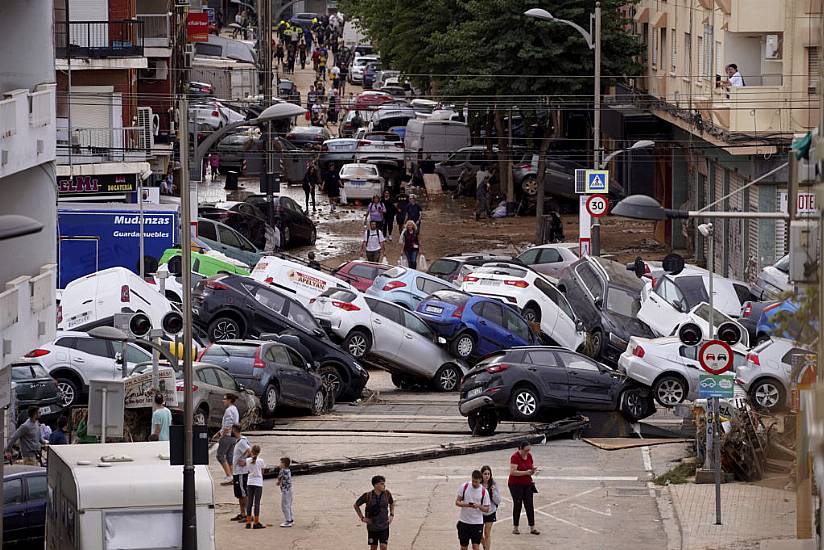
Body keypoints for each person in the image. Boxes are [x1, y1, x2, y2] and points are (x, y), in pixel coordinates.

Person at [354, 475, 395, 550]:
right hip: (372, 527)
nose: (384, 485)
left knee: (383, 546)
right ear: (376, 485)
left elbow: (392, 503)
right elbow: (356, 505)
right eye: (382, 484)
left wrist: (391, 515)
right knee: (373, 547)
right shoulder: (367, 496)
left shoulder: (387, 494)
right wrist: (362, 518)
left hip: (384, 526)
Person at [508, 441, 539, 535]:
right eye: (526, 450)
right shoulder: (515, 457)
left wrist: (532, 471)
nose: (527, 452)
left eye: (529, 450)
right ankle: (515, 527)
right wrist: (526, 472)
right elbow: (513, 472)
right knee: (518, 504)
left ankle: (532, 527)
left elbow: (531, 468)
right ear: (520, 449)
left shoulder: (529, 456)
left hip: (527, 483)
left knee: (529, 505)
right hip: (515, 484)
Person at [456, 470, 491, 550]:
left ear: (480, 480)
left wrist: (479, 506)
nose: (474, 483)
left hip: (477, 523)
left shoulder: (484, 492)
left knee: (476, 546)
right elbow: (457, 502)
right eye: (473, 481)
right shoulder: (464, 486)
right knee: (463, 547)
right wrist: (467, 504)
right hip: (464, 522)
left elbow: (487, 509)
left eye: (476, 482)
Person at [211, 393, 239, 485]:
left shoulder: (228, 410)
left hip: (227, 435)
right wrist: (219, 432)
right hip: (233, 436)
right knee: (229, 456)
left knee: (220, 455)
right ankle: (232, 476)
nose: (223, 401)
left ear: (230, 400)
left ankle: (229, 475)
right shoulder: (235, 409)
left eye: (225, 399)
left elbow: (228, 424)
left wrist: (221, 435)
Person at [229, 424, 250, 523]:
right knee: (239, 494)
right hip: (237, 472)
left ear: (234, 430)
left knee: (243, 493)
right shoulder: (239, 441)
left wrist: (245, 461)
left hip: (241, 472)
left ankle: (246, 514)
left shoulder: (242, 442)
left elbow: (249, 451)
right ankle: (242, 513)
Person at [480, 466, 502, 550]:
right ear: (481, 474)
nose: (487, 476)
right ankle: (485, 545)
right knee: (478, 533)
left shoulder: (494, 484)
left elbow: (498, 501)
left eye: (488, 474)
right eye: (485, 474)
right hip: (480, 512)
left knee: (487, 533)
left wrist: (493, 492)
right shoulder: (478, 484)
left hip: (490, 511)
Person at [244, 444, 265, 529]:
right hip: (258, 482)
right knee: (257, 503)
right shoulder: (261, 461)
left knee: (249, 502)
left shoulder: (247, 460)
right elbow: (262, 472)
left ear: (251, 451)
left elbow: (248, 470)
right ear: (259, 452)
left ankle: (248, 522)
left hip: (250, 482)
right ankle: (256, 522)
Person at [277, 456, 294, 527]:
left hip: (285, 491)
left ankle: (288, 521)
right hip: (289, 489)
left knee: (284, 505)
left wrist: (278, 482)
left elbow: (279, 478)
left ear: (283, 464)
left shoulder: (282, 470)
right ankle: (290, 518)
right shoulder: (288, 470)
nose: (279, 464)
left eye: (280, 463)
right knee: (288, 505)